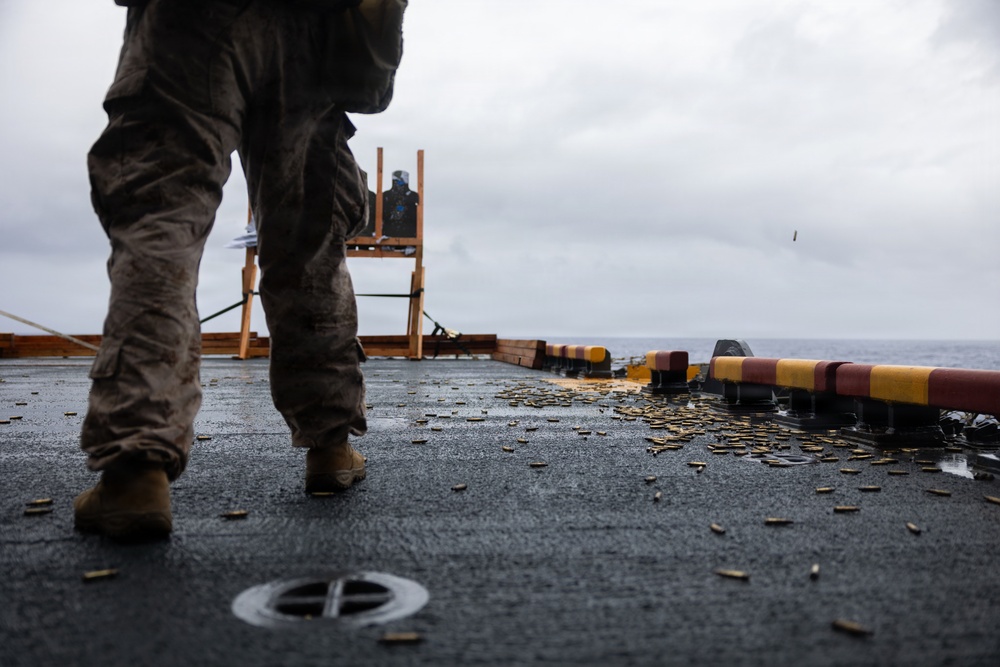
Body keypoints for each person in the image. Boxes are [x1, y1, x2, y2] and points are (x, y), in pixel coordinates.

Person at [73, 0, 407, 541]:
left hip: (191, 18)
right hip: (311, 26)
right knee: (307, 236)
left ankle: (136, 467)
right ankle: (330, 447)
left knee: (164, 212)